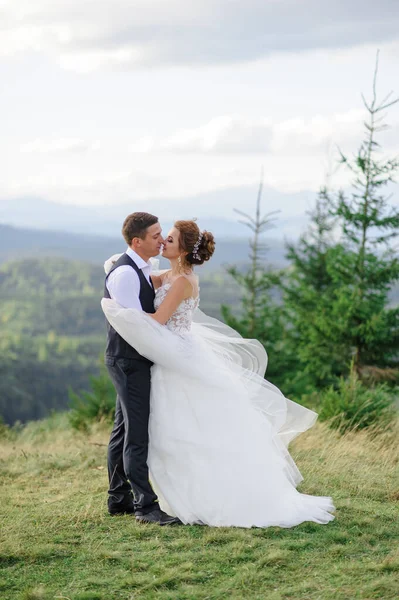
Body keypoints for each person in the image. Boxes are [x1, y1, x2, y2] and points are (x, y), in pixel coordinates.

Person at [102, 218, 336, 528]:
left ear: (182, 250)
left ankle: (198, 496)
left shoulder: (184, 280)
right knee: (148, 427)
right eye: (161, 237)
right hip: (164, 357)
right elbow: (137, 277)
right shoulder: (168, 274)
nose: (163, 243)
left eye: (168, 240)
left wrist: (123, 314)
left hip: (176, 357)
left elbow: (158, 320)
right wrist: (117, 270)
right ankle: (126, 496)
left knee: (185, 427)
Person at [104, 211, 180, 525]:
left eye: (163, 234)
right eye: (155, 235)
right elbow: (135, 327)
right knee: (137, 435)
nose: (161, 240)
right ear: (138, 241)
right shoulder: (125, 274)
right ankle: (145, 507)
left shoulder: (142, 268)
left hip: (132, 360)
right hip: (128, 361)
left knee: (123, 431)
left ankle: (118, 499)